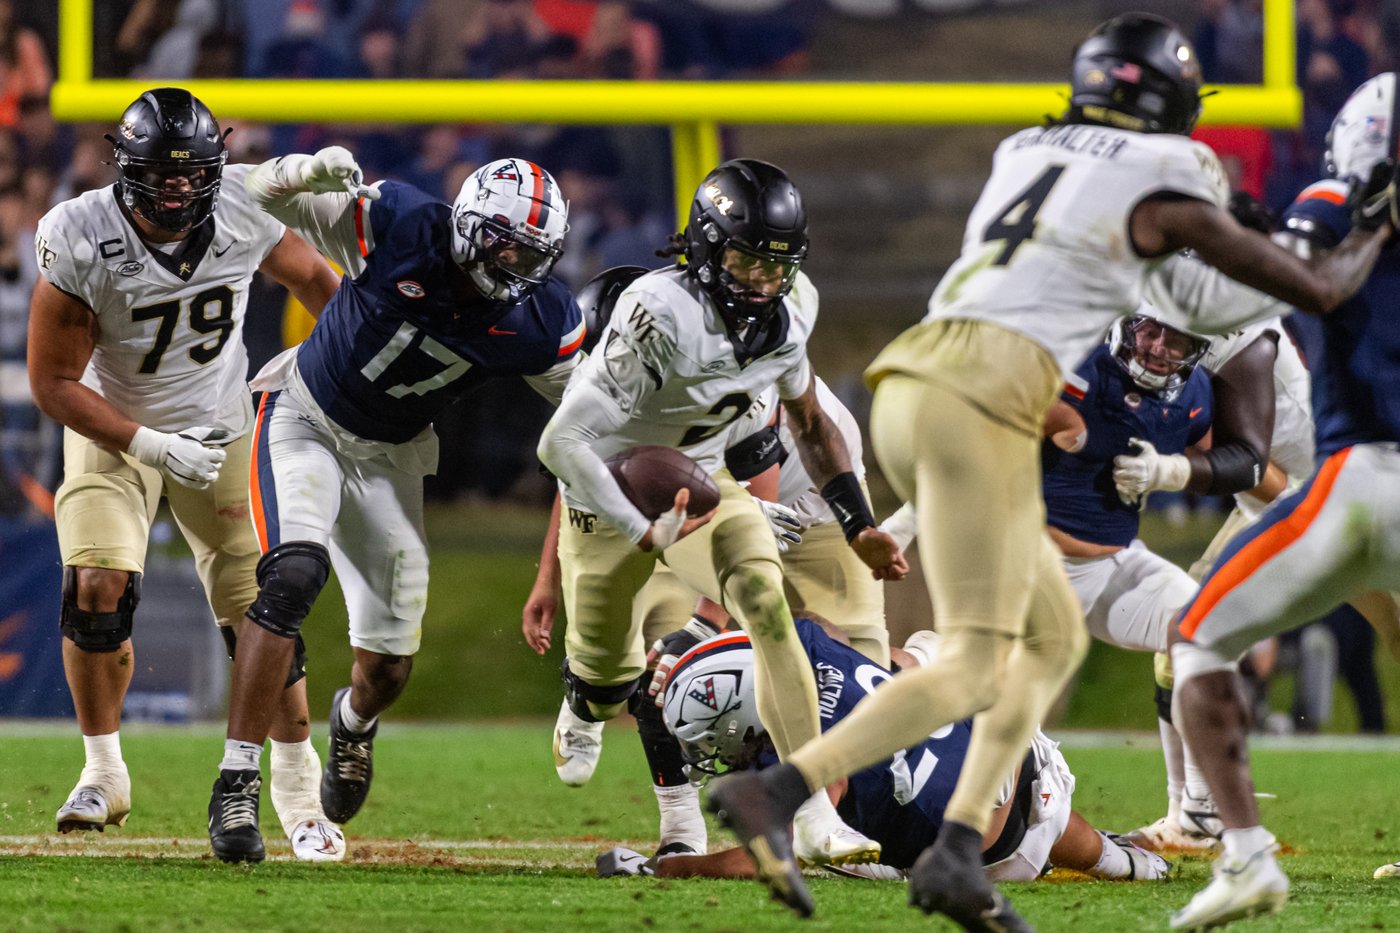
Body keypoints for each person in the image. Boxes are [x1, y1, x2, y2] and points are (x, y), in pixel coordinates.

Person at [706, 13, 1392, 929]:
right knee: (981, 660)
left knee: (1050, 640)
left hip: (911, 382)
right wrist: (1358, 218)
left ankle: (953, 849)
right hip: (984, 398)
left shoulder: (1026, 148)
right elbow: (1309, 289)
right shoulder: (1172, 167)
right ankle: (792, 794)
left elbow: (1159, 287)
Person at [535, 160, 907, 890]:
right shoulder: (656, 314)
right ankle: (585, 699)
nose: (762, 282)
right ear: (707, 249)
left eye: (777, 265)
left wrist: (857, 522)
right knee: (609, 675)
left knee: (764, 602)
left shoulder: (791, 309)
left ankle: (812, 811)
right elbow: (560, 445)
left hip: (703, 486)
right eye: (745, 261)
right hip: (607, 503)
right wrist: (636, 528)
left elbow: (808, 422)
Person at [219, 152, 583, 862]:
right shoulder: (399, 223)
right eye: (505, 245)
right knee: (292, 576)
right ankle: (236, 782)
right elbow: (252, 189)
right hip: (304, 418)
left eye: (532, 253)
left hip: (389, 457)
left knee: (388, 670)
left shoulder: (541, 319)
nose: (515, 265)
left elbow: (588, 430)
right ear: (468, 226)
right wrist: (299, 171)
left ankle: (353, 723)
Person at [26, 88, 347, 861]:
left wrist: (336, 370)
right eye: (160, 174)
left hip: (221, 423)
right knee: (96, 585)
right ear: (125, 167)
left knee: (261, 610)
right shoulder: (80, 232)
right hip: (111, 424)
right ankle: (104, 771)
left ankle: (297, 786)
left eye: (190, 173)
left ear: (214, 168)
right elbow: (52, 382)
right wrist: (150, 445)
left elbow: (317, 281)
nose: (176, 189)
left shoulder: (240, 205)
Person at [1169, 72, 1400, 929]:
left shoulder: (1336, 202)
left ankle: (1243, 853)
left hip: (1362, 475)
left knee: (1196, 634)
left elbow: (1307, 280)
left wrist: (1370, 222)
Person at [599, 620, 1169, 885]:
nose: (709, 752)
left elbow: (768, 859)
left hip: (994, 853)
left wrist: (674, 866)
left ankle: (1118, 861)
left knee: (835, 852)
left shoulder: (802, 762)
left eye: (710, 737)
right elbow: (883, 657)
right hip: (1019, 754)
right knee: (916, 655)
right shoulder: (807, 642)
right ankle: (1124, 862)